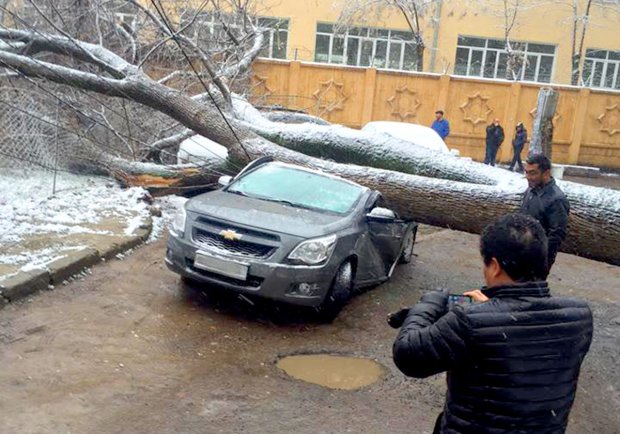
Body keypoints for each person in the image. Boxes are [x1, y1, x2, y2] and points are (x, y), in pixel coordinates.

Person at [391, 213, 593, 434]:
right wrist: (496, 308)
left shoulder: (469, 321)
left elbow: (408, 355)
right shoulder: (579, 315)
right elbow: (523, 340)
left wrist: (429, 303)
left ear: (495, 266)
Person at [520, 153, 570, 270]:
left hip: (537, 260)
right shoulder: (531, 189)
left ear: (546, 173)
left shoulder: (556, 199)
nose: (528, 176)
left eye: (533, 173)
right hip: (521, 252)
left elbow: (556, 235)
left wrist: (541, 260)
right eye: (526, 172)